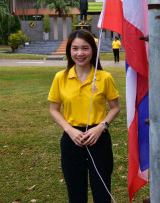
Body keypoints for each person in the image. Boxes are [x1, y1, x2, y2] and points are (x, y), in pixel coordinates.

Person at [48, 29, 120, 203]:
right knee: (76, 194)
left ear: (93, 50)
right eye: (75, 48)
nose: (80, 53)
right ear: (69, 51)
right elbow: (54, 109)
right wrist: (70, 130)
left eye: (85, 48)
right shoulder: (60, 78)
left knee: (102, 193)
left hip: (99, 139)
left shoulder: (104, 77)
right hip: (72, 141)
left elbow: (115, 108)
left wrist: (101, 127)